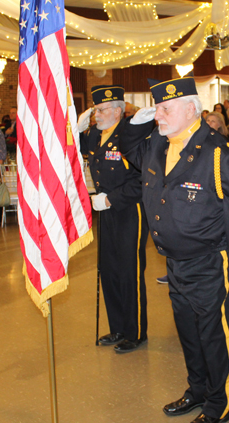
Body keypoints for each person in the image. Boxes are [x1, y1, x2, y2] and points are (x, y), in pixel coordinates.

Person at [119, 75, 229, 423]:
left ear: (191, 109)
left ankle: (219, 403)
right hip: (175, 261)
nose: (159, 115)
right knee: (190, 333)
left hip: (211, 260)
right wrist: (138, 121)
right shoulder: (157, 144)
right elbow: (127, 149)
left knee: (215, 335)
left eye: (165, 108)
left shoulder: (219, 153)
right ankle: (198, 390)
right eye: (158, 109)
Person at [80, 85, 149, 354]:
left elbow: (142, 178)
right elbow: (69, 148)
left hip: (129, 210)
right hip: (106, 211)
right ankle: (118, 327)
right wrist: (76, 127)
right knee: (108, 270)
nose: (97, 114)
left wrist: (110, 199)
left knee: (129, 272)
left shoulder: (130, 135)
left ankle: (136, 332)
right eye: (95, 110)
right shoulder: (96, 135)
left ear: (118, 111)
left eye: (101, 109)